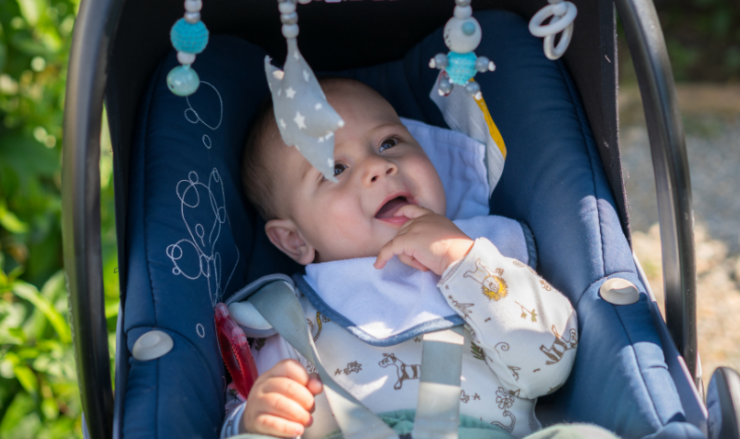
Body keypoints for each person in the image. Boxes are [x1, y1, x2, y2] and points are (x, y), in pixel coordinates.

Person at [221, 78, 598, 439]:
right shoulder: (290, 318)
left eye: (389, 142)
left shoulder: (486, 257)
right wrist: (253, 420)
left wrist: (461, 258)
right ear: (295, 239)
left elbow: (549, 368)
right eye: (335, 168)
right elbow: (246, 409)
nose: (378, 166)